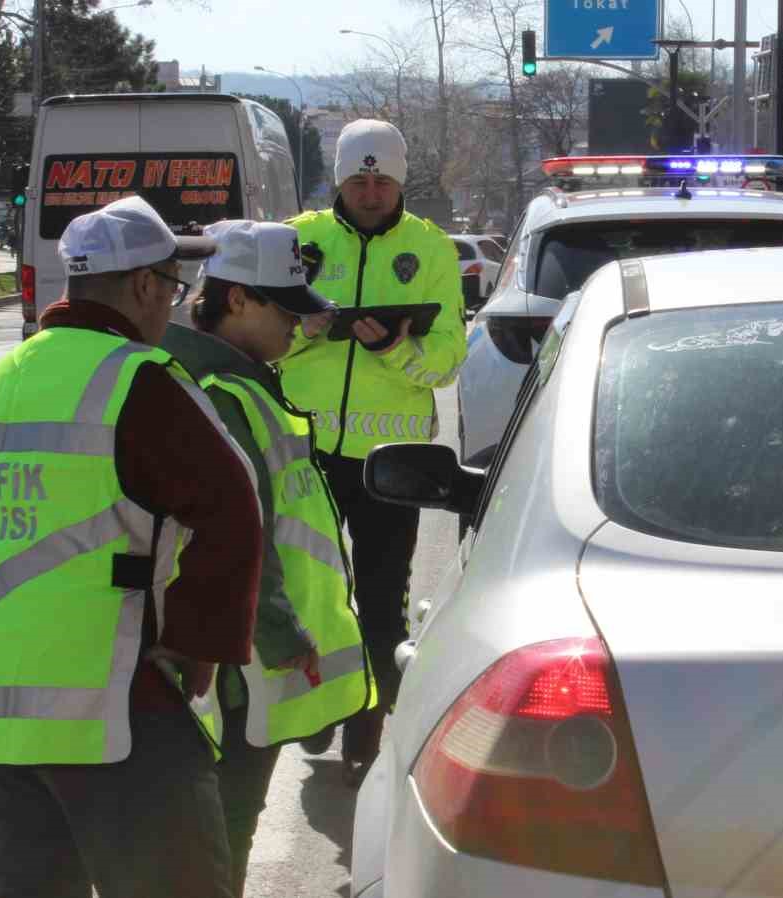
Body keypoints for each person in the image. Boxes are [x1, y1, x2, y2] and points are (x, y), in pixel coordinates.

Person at [0, 196, 265, 898]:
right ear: (141, 286)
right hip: (108, 703)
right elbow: (234, 511)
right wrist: (196, 645)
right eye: (172, 285)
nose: (173, 303)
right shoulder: (138, 380)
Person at [161, 219, 372, 896]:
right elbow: (238, 531)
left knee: (215, 836)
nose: (299, 325)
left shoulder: (241, 381)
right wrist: (281, 634)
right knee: (221, 833)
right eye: (287, 308)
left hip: (239, 656)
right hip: (236, 665)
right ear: (238, 301)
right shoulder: (219, 393)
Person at [282, 119, 466, 783]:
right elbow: (260, 333)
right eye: (358, 179)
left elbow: (449, 359)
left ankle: (368, 722)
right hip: (307, 452)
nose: (369, 190)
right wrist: (305, 332)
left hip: (394, 459)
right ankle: (320, 702)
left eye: (381, 179)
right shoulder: (298, 240)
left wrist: (396, 350)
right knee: (312, 591)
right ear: (339, 178)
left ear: (400, 181)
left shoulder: (433, 249)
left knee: (384, 597)